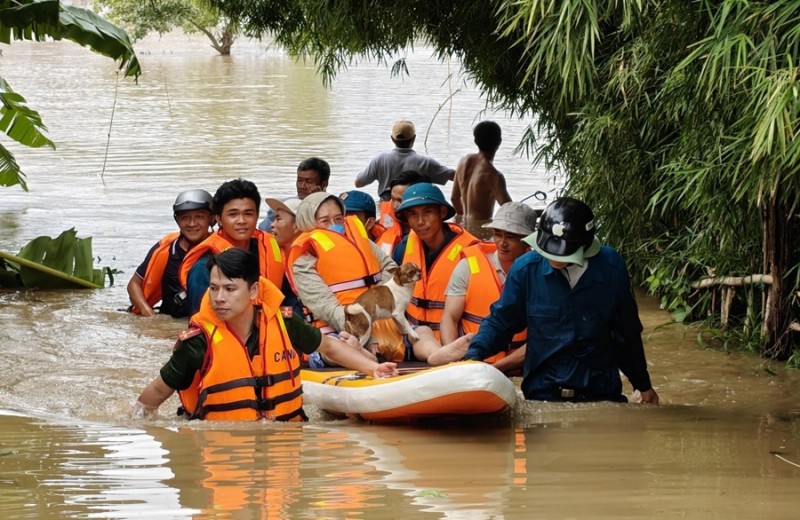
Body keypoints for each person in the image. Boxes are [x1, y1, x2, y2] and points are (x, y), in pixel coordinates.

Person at [133, 248, 397, 421]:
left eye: (229, 289)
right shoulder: (198, 343)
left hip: (284, 437)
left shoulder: (284, 324)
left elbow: (328, 347)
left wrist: (373, 368)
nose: (219, 298)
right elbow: (157, 390)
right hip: (224, 448)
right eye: (213, 288)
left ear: (254, 291)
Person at [463, 197, 660, 404]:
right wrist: (472, 358)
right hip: (543, 395)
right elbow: (501, 322)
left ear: (584, 245)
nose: (553, 258)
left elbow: (627, 333)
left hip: (600, 395)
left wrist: (643, 385)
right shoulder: (525, 269)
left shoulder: (611, 269)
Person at [287, 192, 400, 364]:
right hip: (338, 330)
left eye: (338, 218)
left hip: (376, 317)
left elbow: (391, 269)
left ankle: (438, 353)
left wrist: (376, 303)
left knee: (422, 332)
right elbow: (328, 308)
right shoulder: (303, 260)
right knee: (337, 347)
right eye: (325, 221)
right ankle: (366, 357)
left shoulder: (357, 240)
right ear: (309, 223)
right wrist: (367, 336)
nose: (334, 225)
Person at [429, 202, 538, 373]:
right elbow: (449, 318)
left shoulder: (540, 273)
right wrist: (456, 361)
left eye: (511, 237)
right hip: (472, 356)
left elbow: (542, 337)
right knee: (424, 337)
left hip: (516, 363)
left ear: (527, 240)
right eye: (497, 234)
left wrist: (496, 369)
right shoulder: (468, 266)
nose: (502, 243)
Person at [393, 183, 480, 360]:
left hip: (454, 338)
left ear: (441, 213)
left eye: (427, 212)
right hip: (414, 335)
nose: (420, 222)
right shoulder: (403, 248)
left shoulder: (471, 251)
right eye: (412, 214)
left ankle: (447, 355)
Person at [179, 179, 284, 316]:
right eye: (233, 214)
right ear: (219, 219)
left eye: (248, 214)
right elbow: (200, 319)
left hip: (266, 325)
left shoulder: (268, 247)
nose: (241, 221)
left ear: (257, 216)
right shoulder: (203, 267)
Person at [127, 189, 214, 318]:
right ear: (177, 220)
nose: (192, 224)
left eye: (199, 217)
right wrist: (148, 314)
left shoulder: (220, 251)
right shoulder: (164, 249)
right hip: (169, 320)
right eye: (185, 218)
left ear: (212, 219)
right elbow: (134, 284)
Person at [355, 120, 454, 231]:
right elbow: (454, 176)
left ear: (392, 139)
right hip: (414, 210)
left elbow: (358, 183)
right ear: (414, 138)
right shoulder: (425, 162)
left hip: (387, 210)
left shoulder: (380, 160)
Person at [451, 121, 512, 229]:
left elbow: (454, 198)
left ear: (475, 140)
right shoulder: (494, 176)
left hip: (463, 228)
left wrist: (465, 222)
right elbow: (510, 212)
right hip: (481, 232)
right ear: (499, 141)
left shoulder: (463, 161)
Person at [258, 157, 330, 232]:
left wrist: (316, 202)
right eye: (299, 180)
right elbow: (263, 229)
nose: (302, 186)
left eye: (308, 181)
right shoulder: (282, 206)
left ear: (324, 184)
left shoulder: (336, 209)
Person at [375, 170, 429, 257]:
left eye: (401, 200)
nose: (395, 206)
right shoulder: (378, 226)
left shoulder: (430, 231)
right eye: (393, 199)